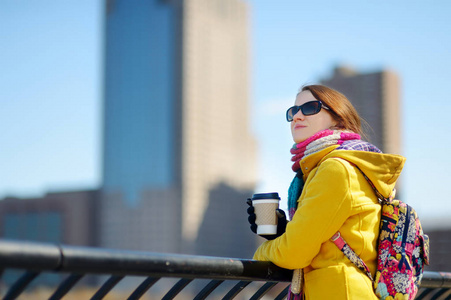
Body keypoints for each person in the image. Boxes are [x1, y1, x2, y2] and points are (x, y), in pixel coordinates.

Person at [247, 84, 405, 299]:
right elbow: (330, 240)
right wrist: (282, 233)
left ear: (338, 118)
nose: (297, 117)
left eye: (310, 108)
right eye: (293, 111)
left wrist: (260, 253)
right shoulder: (331, 166)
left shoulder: (335, 168)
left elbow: (294, 254)